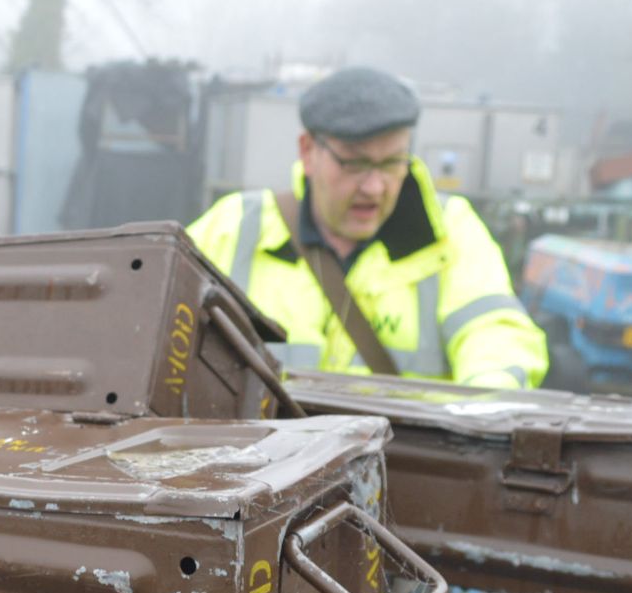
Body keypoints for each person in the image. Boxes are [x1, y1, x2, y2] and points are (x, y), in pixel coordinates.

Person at [186, 67, 547, 388]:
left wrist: (487, 406)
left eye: (392, 162)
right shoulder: (234, 227)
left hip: (399, 463)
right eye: (354, 164)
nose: (375, 187)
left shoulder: (452, 232)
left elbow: (496, 333)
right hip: (257, 463)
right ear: (308, 151)